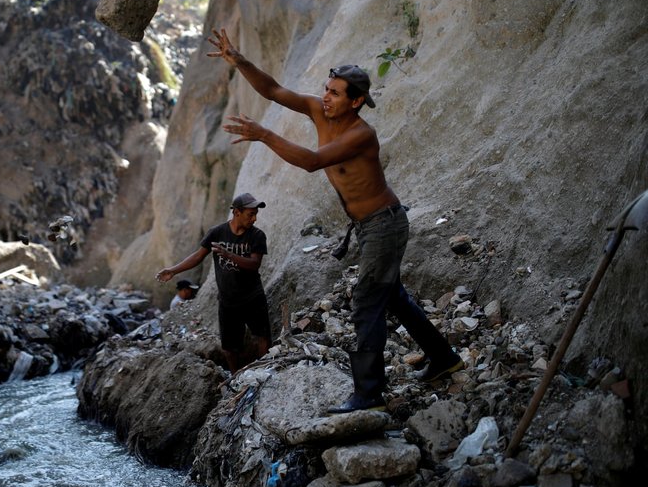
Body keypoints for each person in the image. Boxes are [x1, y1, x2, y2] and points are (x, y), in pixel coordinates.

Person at [207, 28, 463, 413]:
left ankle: (368, 394)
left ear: (356, 101)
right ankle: (444, 358)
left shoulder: (362, 134)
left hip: (385, 224)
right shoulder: (318, 109)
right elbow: (274, 90)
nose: (325, 97)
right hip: (368, 226)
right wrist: (239, 60)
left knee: (366, 302)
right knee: (391, 296)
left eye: (335, 93)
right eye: (325, 89)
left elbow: (312, 162)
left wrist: (264, 135)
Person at [156, 193, 273, 373]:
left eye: (256, 214)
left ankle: (264, 372)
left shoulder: (257, 235)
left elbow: (254, 264)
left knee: (262, 336)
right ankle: (235, 378)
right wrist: (173, 270)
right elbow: (198, 256)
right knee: (229, 347)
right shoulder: (217, 232)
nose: (254, 218)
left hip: (252, 297)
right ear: (236, 212)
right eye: (251, 214)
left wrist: (228, 254)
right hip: (228, 301)